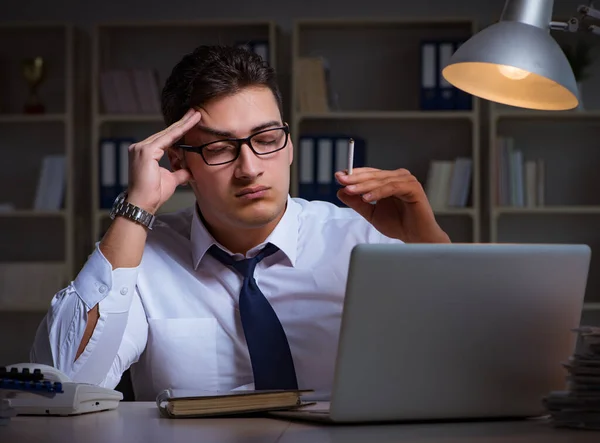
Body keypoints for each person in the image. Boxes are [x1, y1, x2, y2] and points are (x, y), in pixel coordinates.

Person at [30, 45, 450, 401]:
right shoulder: (140, 257)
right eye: (219, 148)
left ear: (287, 146)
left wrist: (424, 241)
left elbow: (463, 359)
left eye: (267, 141)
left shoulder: (361, 239)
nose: (249, 169)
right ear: (179, 160)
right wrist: (135, 209)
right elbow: (63, 386)